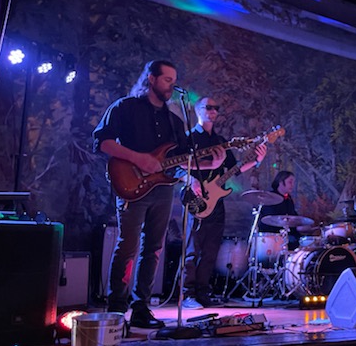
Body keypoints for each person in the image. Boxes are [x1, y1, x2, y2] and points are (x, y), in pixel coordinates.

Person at [92, 60, 224, 329]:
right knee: (127, 246)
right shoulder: (125, 107)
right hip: (131, 184)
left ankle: (141, 307)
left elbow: (180, 159)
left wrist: (210, 164)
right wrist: (139, 159)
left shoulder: (174, 121)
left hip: (163, 190)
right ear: (151, 79)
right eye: (167, 80)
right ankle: (117, 308)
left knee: (153, 249)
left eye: (174, 80)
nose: (172, 85)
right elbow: (102, 141)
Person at [181, 97, 266, 310]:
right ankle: (187, 294)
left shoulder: (220, 141)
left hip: (217, 201)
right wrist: (192, 180)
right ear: (198, 110)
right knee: (192, 249)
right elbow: (177, 166)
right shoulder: (188, 138)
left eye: (216, 108)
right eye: (208, 107)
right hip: (196, 197)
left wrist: (256, 161)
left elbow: (233, 169)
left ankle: (203, 292)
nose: (213, 111)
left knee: (211, 250)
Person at [259, 170, 299, 249]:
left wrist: (303, 225)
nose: (292, 185)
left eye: (293, 182)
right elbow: (269, 221)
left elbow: (294, 218)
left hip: (287, 235)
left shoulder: (288, 199)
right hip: (271, 237)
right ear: (281, 182)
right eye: (290, 182)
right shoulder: (270, 198)